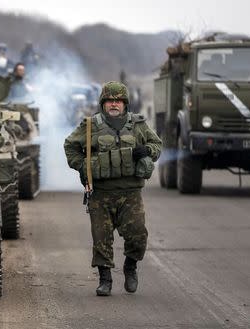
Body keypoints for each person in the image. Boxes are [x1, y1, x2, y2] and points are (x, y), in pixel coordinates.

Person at [64, 81, 162, 296]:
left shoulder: (137, 124)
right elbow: (70, 145)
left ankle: (130, 266)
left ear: (125, 103)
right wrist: (82, 165)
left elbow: (157, 145)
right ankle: (105, 279)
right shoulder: (90, 125)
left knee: (138, 236)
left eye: (118, 100)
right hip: (101, 194)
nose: (114, 104)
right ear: (103, 103)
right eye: (110, 100)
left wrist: (146, 150)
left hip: (130, 194)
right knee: (101, 238)